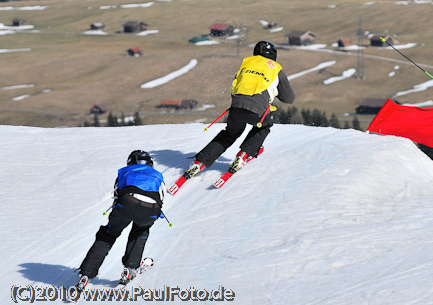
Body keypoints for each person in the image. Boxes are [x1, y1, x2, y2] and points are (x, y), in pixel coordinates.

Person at [188, 40, 295, 176]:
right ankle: (244, 154)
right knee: (263, 126)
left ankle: (200, 161)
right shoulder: (275, 68)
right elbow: (289, 98)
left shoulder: (246, 64)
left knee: (230, 133)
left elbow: (235, 85)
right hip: (258, 110)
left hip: (236, 107)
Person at [77, 150, 165, 290]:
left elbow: (117, 192)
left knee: (108, 234)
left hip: (127, 202)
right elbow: (161, 197)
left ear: (130, 162)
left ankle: (87, 273)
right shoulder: (158, 176)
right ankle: (130, 268)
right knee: (140, 231)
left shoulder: (125, 171)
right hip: (150, 207)